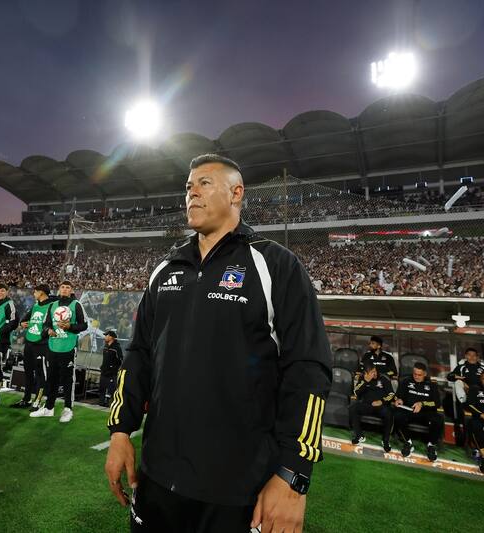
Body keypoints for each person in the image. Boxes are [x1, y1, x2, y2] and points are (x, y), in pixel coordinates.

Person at [104, 154, 332, 533]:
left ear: (236, 192)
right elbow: (138, 355)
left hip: (238, 489)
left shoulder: (275, 264)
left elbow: (308, 368)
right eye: (188, 186)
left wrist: (294, 474)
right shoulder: (165, 270)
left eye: (204, 183)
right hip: (157, 479)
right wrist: (120, 431)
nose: (191, 191)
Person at [30, 281, 87, 422]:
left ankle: (68, 409)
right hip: (53, 346)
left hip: (68, 346)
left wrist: (70, 326)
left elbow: (84, 325)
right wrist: (48, 330)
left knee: (68, 379)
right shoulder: (53, 305)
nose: (65, 289)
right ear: (59, 289)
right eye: (62, 287)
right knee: (51, 379)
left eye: (68, 287)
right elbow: (45, 325)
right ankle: (49, 408)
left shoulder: (76, 305)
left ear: (71, 290)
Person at [394, 362, 444, 461]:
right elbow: (398, 396)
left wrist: (422, 404)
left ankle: (431, 445)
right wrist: (399, 400)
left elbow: (437, 403)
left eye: (419, 375)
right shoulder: (406, 381)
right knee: (398, 415)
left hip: (427, 412)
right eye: (414, 374)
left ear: (425, 374)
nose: (416, 376)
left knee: (438, 419)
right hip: (409, 410)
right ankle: (408, 442)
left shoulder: (432, 385)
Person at [15, 284, 53, 410]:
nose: (34, 294)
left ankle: (38, 400)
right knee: (28, 372)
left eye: (35, 291)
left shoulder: (52, 306)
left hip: (42, 344)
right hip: (29, 343)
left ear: (41, 292)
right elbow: (23, 319)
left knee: (41, 374)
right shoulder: (36, 305)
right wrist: (22, 323)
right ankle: (26, 398)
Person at [349, 363, 394, 451]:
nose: (375, 373)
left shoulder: (383, 378)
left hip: (381, 406)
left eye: (375, 371)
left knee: (389, 413)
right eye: (372, 372)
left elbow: (391, 394)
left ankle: (385, 440)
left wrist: (381, 401)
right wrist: (366, 381)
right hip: (367, 405)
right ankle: (359, 435)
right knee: (353, 408)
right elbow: (355, 392)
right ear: (366, 373)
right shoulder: (363, 379)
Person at [99, 330, 123, 407]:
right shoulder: (105, 346)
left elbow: (121, 360)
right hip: (104, 371)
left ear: (111, 337)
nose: (105, 337)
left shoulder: (117, 348)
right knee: (102, 388)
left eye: (107, 335)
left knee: (111, 390)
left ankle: (110, 404)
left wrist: (113, 368)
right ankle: (101, 403)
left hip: (112, 373)